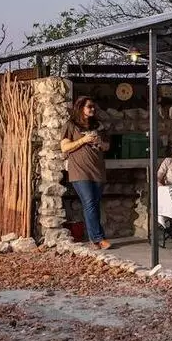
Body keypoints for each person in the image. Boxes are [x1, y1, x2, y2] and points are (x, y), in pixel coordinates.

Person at [60, 96, 112, 250]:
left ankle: (94, 240)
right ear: (81, 108)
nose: (92, 109)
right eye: (89, 106)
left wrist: (99, 142)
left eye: (93, 106)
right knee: (89, 203)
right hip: (80, 171)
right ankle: (99, 238)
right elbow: (64, 147)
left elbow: (107, 147)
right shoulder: (71, 125)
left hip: (97, 170)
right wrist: (83, 140)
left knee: (94, 204)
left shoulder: (98, 125)